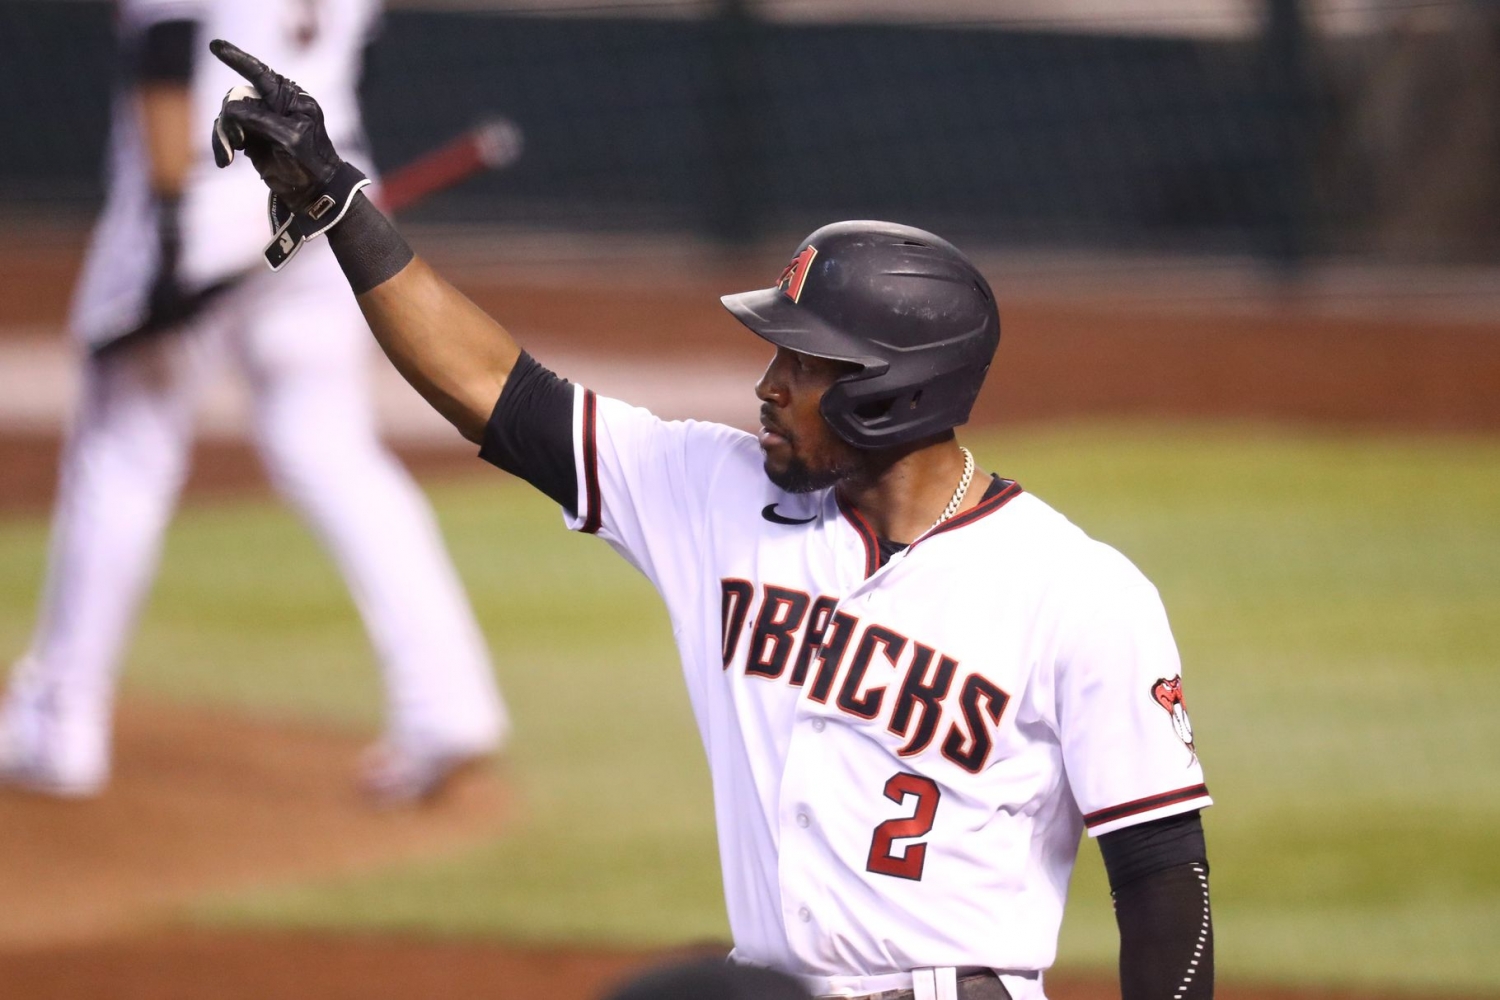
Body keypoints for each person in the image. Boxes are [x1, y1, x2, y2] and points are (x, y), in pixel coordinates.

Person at [204, 38, 1216, 1000]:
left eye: (804, 365)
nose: (768, 387)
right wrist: (340, 206)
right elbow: (493, 391)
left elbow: (1164, 876)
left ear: (894, 392)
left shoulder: (1075, 593)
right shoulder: (711, 491)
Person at [0, 2, 509, 806]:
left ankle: (59, 722)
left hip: (201, 196)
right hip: (328, 192)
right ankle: (448, 705)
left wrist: (168, 239)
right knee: (335, 454)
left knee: (122, 454)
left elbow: (167, 59)